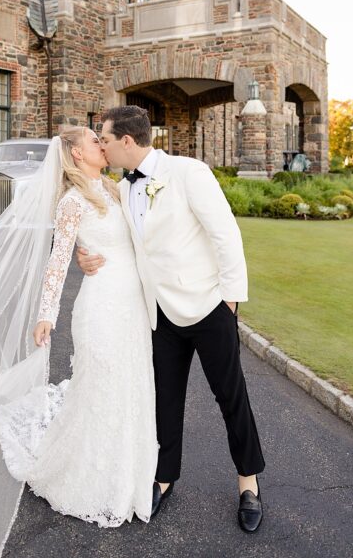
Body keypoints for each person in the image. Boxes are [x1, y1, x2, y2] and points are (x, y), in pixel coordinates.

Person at [0, 126, 156, 558]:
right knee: (100, 387)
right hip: (100, 308)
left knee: (131, 386)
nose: (102, 145)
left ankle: (132, 472)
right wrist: (47, 314)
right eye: (94, 142)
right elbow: (57, 262)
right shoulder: (71, 202)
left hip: (132, 307)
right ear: (77, 155)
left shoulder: (118, 189)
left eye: (103, 141)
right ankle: (88, 475)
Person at [79, 105, 264, 533]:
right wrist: (84, 256)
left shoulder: (188, 172)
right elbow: (119, 241)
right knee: (165, 399)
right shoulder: (123, 189)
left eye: (105, 138)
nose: (102, 145)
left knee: (230, 396)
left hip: (208, 308)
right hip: (157, 312)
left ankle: (248, 483)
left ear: (126, 141)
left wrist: (230, 302)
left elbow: (225, 234)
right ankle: (165, 477)